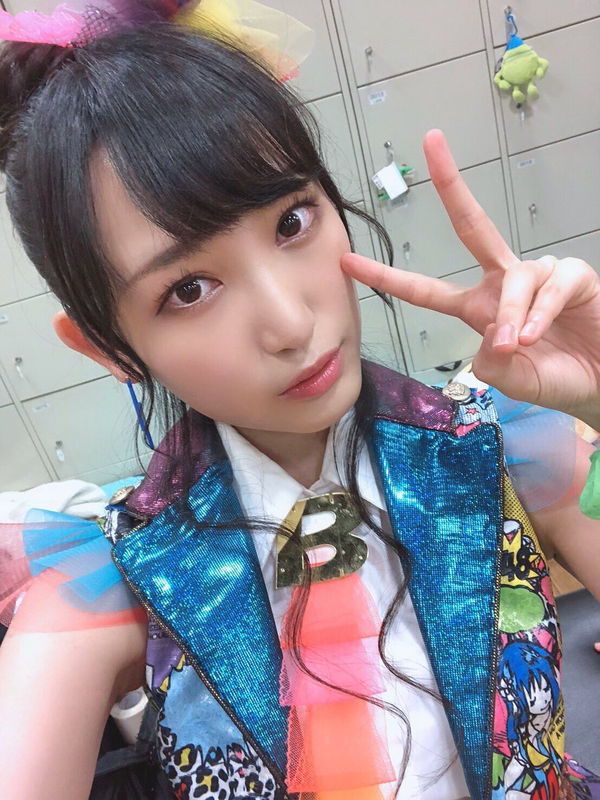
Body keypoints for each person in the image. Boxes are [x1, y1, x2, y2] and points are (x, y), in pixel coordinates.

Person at [0, 5, 599, 800]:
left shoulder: (500, 444)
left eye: (292, 221)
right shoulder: (115, 581)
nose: (290, 323)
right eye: (189, 289)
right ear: (108, 347)